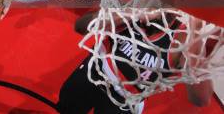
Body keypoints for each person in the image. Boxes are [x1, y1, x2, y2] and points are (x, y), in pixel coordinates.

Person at [57, 9, 216, 113]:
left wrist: (197, 41)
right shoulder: (129, 10)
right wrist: (131, 14)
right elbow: (81, 26)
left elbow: (200, 99)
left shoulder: (182, 38)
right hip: (91, 75)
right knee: (65, 108)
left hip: (125, 101)